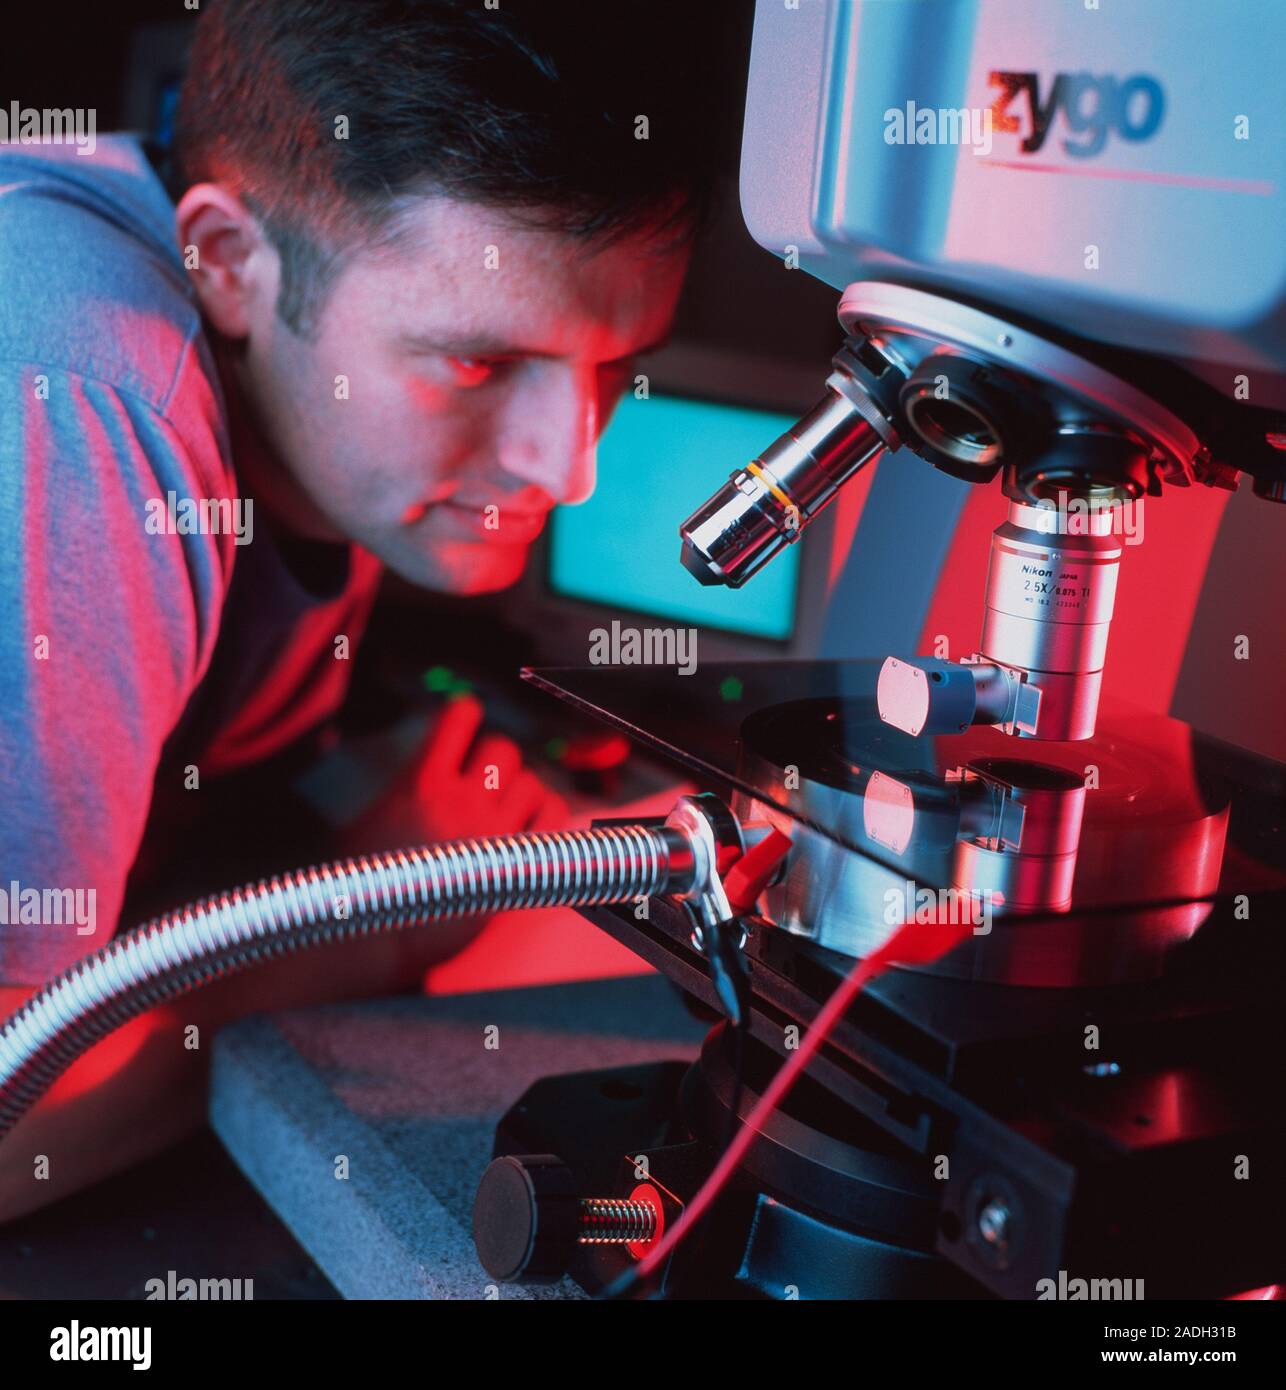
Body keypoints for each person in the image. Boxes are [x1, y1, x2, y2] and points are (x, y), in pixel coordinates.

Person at [0, 0, 738, 1221]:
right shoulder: (82, 392)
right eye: (476, 364)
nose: (568, 469)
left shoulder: (304, 413)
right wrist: (379, 916)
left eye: (613, 364)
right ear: (232, 262)